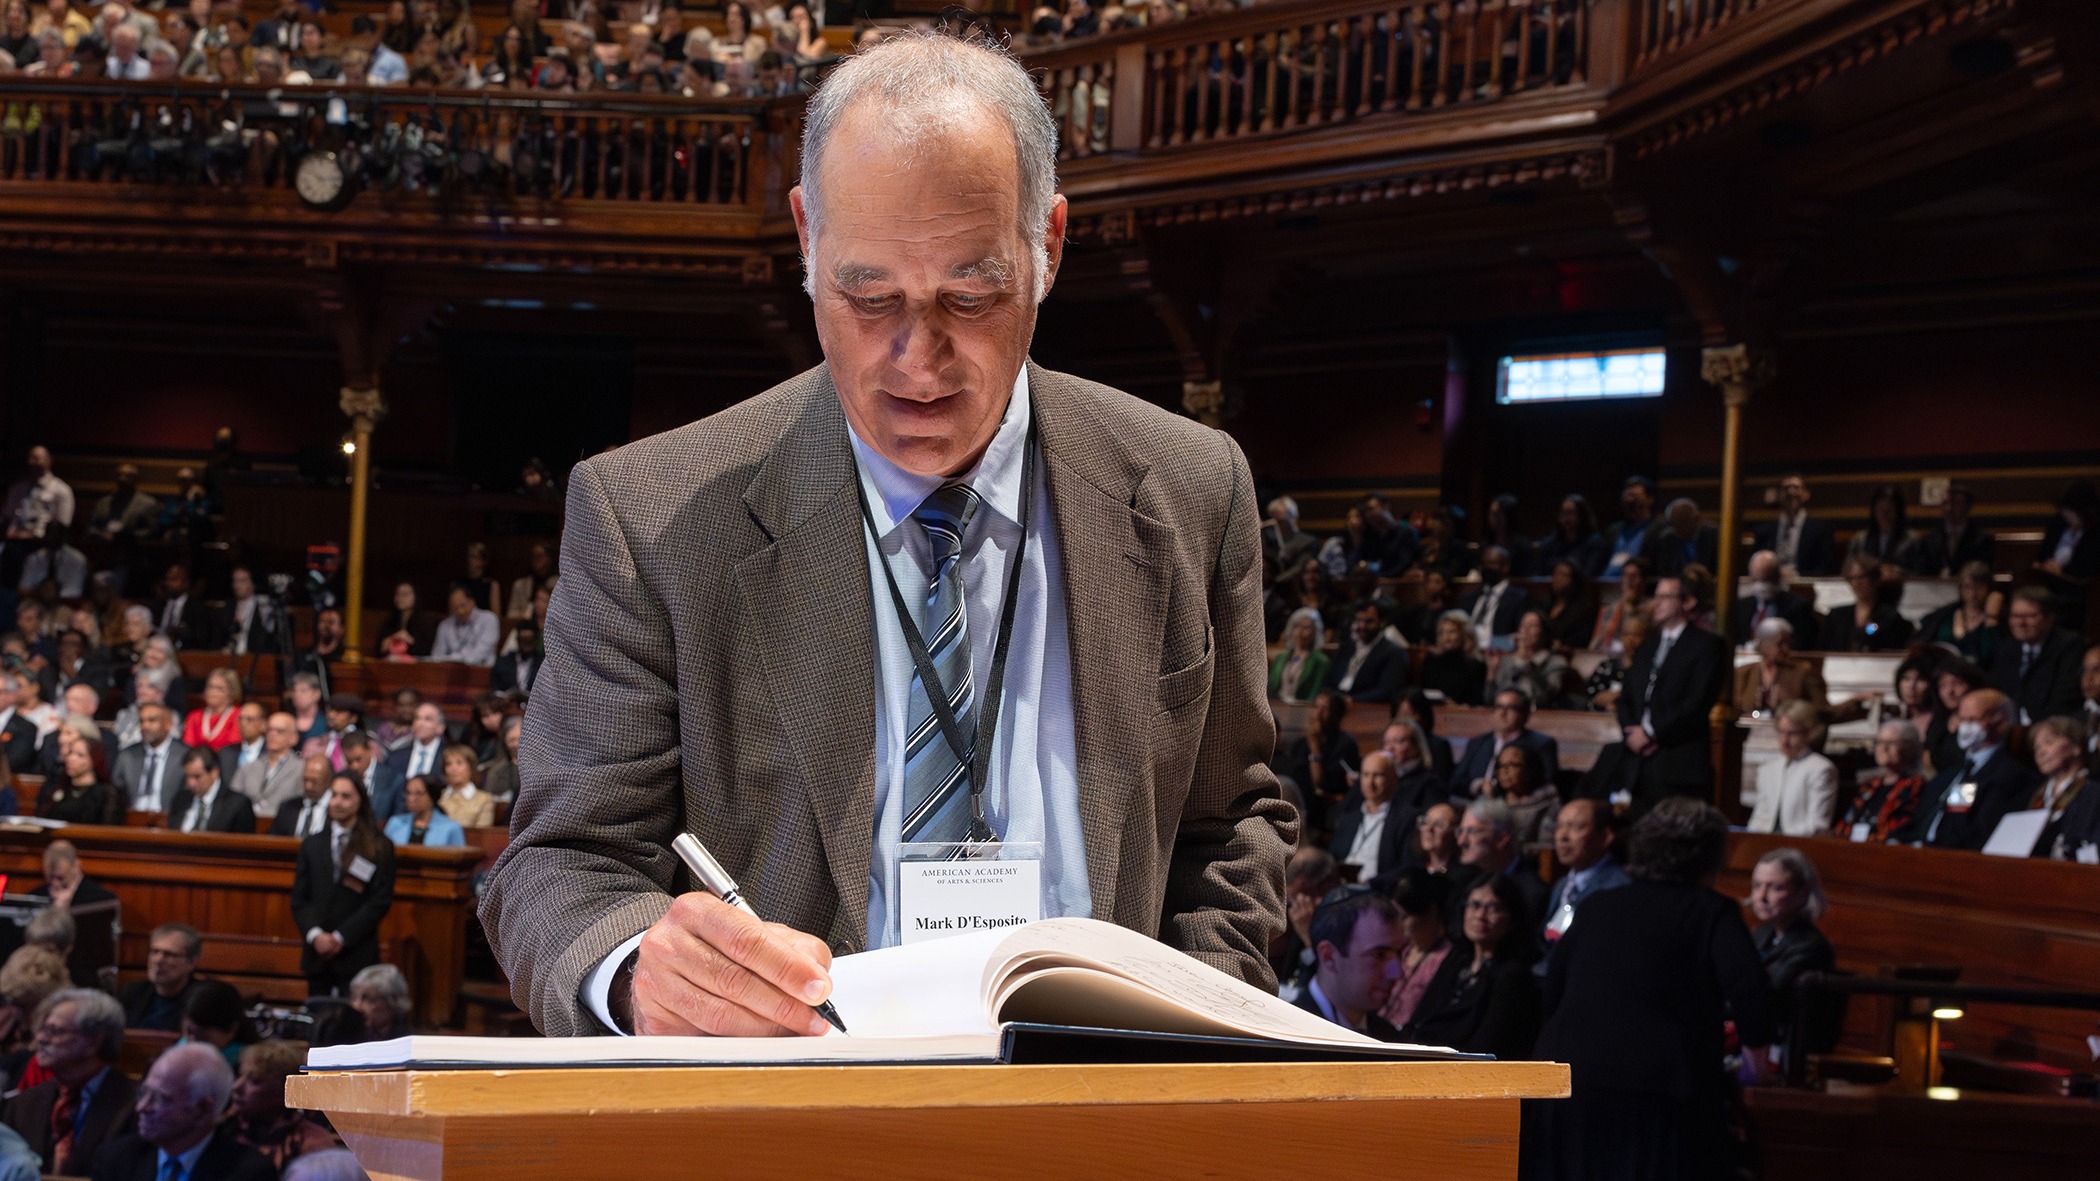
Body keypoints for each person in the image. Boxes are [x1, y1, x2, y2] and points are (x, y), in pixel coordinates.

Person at [483, 33, 1294, 1040]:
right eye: (869, 299)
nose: (919, 359)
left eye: (972, 292)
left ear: (1048, 243)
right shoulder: (647, 515)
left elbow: (1230, 826)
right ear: (806, 238)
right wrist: (637, 969)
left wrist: (1191, 1040)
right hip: (790, 1123)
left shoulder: (1190, 488)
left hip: (1101, 1111)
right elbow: (561, 863)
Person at [1524, 798, 1773, 1181]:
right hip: (1657, 1090)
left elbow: (1554, 989)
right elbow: (1750, 991)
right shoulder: (1709, 910)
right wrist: (1756, 1072)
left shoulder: (1598, 905)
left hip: (1568, 1080)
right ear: (1709, 855)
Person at [1612, 575, 1727, 814]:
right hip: (1638, 763)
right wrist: (1633, 733)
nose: (1657, 603)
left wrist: (1652, 732)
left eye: (1665, 597)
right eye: (1656, 597)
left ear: (1688, 602)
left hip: (1679, 763)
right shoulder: (1647, 649)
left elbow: (1697, 702)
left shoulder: (1707, 646)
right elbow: (1626, 699)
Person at [1398, 874, 1540, 1059]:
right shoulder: (1457, 959)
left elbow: (1486, 1045)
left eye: (1494, 908)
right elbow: (1421, 1017)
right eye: (1475, 905)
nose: (1480, 916)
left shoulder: (1513, 975)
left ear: (1512, 920)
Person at [88, 1042, 274, 1181]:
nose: (142, 1107)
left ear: (203, 1110)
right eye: (144, 1093)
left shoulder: (248, 1173)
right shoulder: (115, 1159)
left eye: (161, 1098)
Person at [0, 988, 135, 1174]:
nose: (41, 1038)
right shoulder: (22, 1104)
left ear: (93, 1042)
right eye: (42, 1029)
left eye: (55, 1031)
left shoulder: (134, 1104)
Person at [290, 773, 396, 996]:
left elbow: (379, 901)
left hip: (356, 951)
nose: (337, 802)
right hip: (317, 954)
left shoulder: (379, 846)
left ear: (360, 801)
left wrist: (341, 937)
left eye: (345, 796)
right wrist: (316, 935)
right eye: (334, 795)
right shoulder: (312, 844)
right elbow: (300, 900)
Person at [1895, 688, 2040, 850]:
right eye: (1961, 720)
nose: (1964, 727)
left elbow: (1976, 831)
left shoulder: (2009, 776)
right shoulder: (1953, 774)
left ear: (2000, 722)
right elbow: (1919, 819)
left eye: (1972, 720)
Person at [1747, 846, 1836, 1058]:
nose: (1761, 896)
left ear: (1803, 892)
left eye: (1776, 888)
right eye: (1757, 886)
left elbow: (1766, 994)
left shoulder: (1810, 945)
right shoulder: (1761, 933)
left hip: (1786, 1049)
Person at [1292, 887, 1402, 1039]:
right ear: (1328, 956)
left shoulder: (1391, 1039)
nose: (1396, 972)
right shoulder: (1287, 1036)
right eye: (1379, 955)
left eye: (1399, 954)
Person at [1537, 798, 1628, 968]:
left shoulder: (1617, 887)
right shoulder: (1562, 884)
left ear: (1605, 837)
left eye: (1576, 827)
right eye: (1560, 826)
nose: (1563, 836)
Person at [226, 1039, 342, 1171]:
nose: (236, 1087)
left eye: (255, 1080)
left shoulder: (312, 1144)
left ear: (284, 1090)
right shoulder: (222, 1128)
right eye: (240, 1075)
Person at [1987, 586, 2084, 724]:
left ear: (2049, 618)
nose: (2021, 623)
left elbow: (2065, 699)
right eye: (2015, 616)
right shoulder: (2008, 648)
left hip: (2050, 725)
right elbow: (1996, 692)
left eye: (2030, 616)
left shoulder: (2069, 647)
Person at [1374, 869, 1453, 1030]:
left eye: (1405, 917)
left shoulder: (1447, 959)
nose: (1399, 924)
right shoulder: (1401, 951)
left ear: (1431, 911)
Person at [1747, 700, 1838, 837]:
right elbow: (1759, 818)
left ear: (1809, 733)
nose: (1785, 740)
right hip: (1766, 845)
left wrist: (1780, 840)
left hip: (1801, 847)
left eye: (1792, 733)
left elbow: (1817, 824)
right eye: (1781, 732)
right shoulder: (1767, 769)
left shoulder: (1821, 769)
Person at [1449, 690, 1561, 799]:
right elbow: (1456, 781)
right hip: (1473, 802)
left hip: (1515, 806)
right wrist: (1477, 785)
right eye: (1499, 707)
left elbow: (1547, 783)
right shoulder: (1478, 742)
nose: (1503, 713)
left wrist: (1497, 789)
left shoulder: (1541, 744)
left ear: (1525, 714)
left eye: (1511, 708)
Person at [1452, 798, 1547, 927]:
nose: (1461, 841)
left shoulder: (1530, 892)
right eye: (1461, 831)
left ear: (1502, 839)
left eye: (1472, 831)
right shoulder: (1464, 881)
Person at [1327, 752, 1415, 890]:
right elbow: (1332, 858)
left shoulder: (1405, 818)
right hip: (1340, 887)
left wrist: (1370, 883)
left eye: (1377, 775)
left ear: (1394, 779)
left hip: (1377, 891)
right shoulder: (1349, 819)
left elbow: (1406, 868)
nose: (1370, 782)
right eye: (1365, 775)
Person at [1274, 691, 1358, 833]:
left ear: (1336, 715)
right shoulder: (1301, 744)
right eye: (1315, 707)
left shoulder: (1345, 744)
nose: (1318, 714)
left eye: (1325, 709)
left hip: (1322, 809)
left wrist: (1314, 747)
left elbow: (1319, 783)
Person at [1835, 721, 1927, 843]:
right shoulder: (1871, 785)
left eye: (1891, 743)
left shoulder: (1915, 786)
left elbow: (1899, 830)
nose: (1883, 748)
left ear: (1909, 747)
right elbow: (1846, 823)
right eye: (1879, 742)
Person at [1914, 560, 2001, 666]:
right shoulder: (1945, 615)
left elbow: (1994, 654)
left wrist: (1991, 617)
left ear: (1988, 588)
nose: (1973, 593)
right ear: (1960, 588)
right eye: (1967, 587)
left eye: (1978, 587)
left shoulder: (1997, 618)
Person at [117, 924, 202, 1032]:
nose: (158, 960)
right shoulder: (132, 993)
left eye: (169, 954)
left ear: (192, 962)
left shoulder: (201, 1001)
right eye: (154, 952)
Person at [1818, 556, 1913, 652]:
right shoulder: (1837, 616)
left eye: (1861, 577)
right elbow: (1823, 650)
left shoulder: (1889, 616)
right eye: (1852, 578)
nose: (1856, 583)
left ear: (1874, 579)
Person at [1728, 549, 1819, 649]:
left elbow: (1802, 645)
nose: (1762, 586)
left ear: (1778, 577)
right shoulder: (1741, 606)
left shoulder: (1799, 607)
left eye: (1767, 579)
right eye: (1757, 580)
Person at [2027, 716, 2090, 859]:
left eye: (2049, 742)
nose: (2041, 752)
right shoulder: (2037, 794)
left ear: (2076, 747)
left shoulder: (2093, 793)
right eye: (2036, 747)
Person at [1751, 474, 1839, 577]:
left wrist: (1794, 575)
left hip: (1805, 586)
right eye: (1786, 488)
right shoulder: (1764, 531)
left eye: (1796, 488)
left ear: (1806, 494)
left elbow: (1825, 570)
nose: (1791, 492)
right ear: (1779, 494)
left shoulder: (1821, 530)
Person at [1322, 600, 1407, 704]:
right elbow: (1329, 680)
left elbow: (1387, 691)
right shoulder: (1346, 647)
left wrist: (1352, 700)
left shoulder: (1394, 653)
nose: (1362, 626)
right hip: (1336, 703)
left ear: (1382, 622)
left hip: (1363, 706)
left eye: (1369, 621)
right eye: (1359, 620)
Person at [1490, 610, 1570, 711]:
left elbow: (1544, 698)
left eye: (1532, 626)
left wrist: (1527, 663)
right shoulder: (1508, 661)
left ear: (1544, 632)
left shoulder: (1556, 663)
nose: (1525, 630)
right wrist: (1491, 674)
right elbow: (1491, 700)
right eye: (1523, 626)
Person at [232, 711, 305, 819]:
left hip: (281, 828)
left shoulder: (302, 768)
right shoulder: (249, 766)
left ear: (293, 738)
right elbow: (232, 799)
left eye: (279, 731)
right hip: (246, 827)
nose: (272, 734)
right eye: (269, 730)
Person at [168, 748, 258, 835]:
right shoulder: (180, 800)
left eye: (197, 777)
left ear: (214, 773)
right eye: (188, 777)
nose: (191, 783)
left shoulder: (237, 805)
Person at [179, 980, 257, 1073]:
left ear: (232, 1030)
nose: (192, 1043)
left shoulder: (248, 1070)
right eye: (189, 1032)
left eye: (204, 1037)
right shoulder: (175, 1052)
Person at [39, 737, 114, 825]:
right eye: (70, 753)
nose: (71, 759)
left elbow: (107, 829)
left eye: (80, 755)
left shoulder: (106, 794)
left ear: (94, 759)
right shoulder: (58, 788)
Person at [1419, 610, 1486, 706]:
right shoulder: (1431, 659)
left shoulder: (1475, 664)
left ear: (1464, 634)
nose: (1446, 638)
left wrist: (1456, 706)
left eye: (1452, 632)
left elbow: (1476, 701)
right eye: (1442, 632)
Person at [1379, 718, 1446, 814]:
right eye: (1386, 742)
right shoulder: (1375, 778)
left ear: (1417, 746)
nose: (1389, 748)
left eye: (1398, 741)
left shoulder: (1429, 783)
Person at [1460, 546, 1527, 641]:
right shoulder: (1470, 597)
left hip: (1498, 649)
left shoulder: (1518, 598)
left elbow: (1517, 635)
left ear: (1505, 567)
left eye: (1491, 563)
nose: (1486, 568)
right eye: (1484, 563)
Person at [1588, 556, 1653, 654]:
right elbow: (1594, 644)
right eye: (1625, 575)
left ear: (1643, 580)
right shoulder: (1609, 609)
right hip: (1607, 655)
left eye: (1634, 576)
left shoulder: (1652, 609)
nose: (1629, 580)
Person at [1639, 499, 1717, 579]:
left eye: (1685, 521)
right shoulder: (1665, 539)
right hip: (1678, 585)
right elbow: (1663, 572)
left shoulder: (1714, 536)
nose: (1682, 527)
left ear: (1697, 518)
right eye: (1676, 523)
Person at [2036, 479, 2099, 579]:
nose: (2065, 516)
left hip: (2077, 588)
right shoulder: (2058, 523)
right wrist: (2042, 566)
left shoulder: (2095, 534)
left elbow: (2089, 570)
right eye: (2063, 511)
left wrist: (2061, 572)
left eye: (2070, 512)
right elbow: (2042, 556)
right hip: (2048, 581)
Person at [1534, 495, 1607, 581]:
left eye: (1571, 513)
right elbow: (1538, 576)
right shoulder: (1549, 544)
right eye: (1563, 513)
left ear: (1582, 515)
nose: (1566, 519)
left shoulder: (1595, 543)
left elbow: (1589, 575)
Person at [1847, 484, 1918, 570]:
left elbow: (1918, 575)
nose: (1884, 515)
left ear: (1898, 511)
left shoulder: (1912, 541)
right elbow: (1849, 570)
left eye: (1889, 510)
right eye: (1880, 509)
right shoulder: (1860, 541)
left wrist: (1889, 570)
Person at [341, 730, 405, 822]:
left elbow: (398, 820)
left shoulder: (394, 780)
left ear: (369, 750)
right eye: (349, 761)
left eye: (358, 759)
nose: (355, 766)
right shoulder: (341, 779)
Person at [1601, 476, 1657, 581]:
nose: (1629, 500)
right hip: (1607, 587)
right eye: (1626, 496)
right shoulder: (1613, 531)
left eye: (1634, 496)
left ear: (1650, 499)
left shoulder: (1659, 531)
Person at [1268, 607, 1328, 704]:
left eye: (1306, 627)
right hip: (1277, 706)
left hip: (1301, 709)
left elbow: (1314, 693)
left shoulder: (1320, 661)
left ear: (1315, 632)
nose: (1300, 632)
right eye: (1297, 626)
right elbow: (1270, 688)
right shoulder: (1280, 658)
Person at [430, 585, 500, 667]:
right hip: (450, 672)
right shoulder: (445, 625)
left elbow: (482, 652)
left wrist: (458, 660)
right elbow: (436, 656)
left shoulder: (488, 619)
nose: (460, 611)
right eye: (455, 608)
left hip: (481, 670)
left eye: (462, 605)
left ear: (472, 602)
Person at [387, 774, 466, 847]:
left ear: (432, 796)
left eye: (418, 793)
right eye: (408, 793)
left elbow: (459, 858)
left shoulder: (451, 828)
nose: (411, 799)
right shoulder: (395, 823)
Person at [271, 756, 337, 840]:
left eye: (314, 781)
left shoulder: (336, 807)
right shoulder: (288, 807)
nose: (308, 786)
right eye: (305, 780)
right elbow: (274, 840)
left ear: (329, 780)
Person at [1538, 561, 1597, 655]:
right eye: (1555, 574)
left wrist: (1562, 644)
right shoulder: (1544, 605)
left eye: (1563, 575)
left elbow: (1582, 638)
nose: (1557, 579)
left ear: (1574, 581)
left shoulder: (1584, 609)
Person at [383, 702, 448, 783]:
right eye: (417, 718)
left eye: (428, 719)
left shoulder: (449, 754)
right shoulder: (397, 754)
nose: (419, 724)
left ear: (440, 728)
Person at [181, 668, 243, 752]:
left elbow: (233, 748)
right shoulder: (194, 716)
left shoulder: (239, 715)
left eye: (219, 688)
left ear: (231, 692)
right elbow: (187, 747)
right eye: (210, 687)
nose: (212, 692)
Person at [349, 963, 413, 1042]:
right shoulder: (345, 1031)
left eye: (369, 999)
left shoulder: (408, 1039)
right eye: (354, 997)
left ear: (392, 1002)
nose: (357, 1006)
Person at [436, 743, 495, 828]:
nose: (453, 768)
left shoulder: (484, 800)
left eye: (459, 763)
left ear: (470, 767)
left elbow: (483, 835)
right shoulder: (438, 797)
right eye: (448, 764)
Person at [373, 583, 435, 659]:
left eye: (405, 594)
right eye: (397, 594)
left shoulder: (424, 623)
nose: (400, 598)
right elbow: (378, 651)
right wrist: (391, 640)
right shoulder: (389, 621)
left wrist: (410, 641)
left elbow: (428, 653)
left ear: (415, 597)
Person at [1413, 802, 1460, 876]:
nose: (1429, 829)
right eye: (1425, 821)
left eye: (1438, 824)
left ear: (1456, 832)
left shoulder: (1461, 876)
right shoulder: (1413, 872)